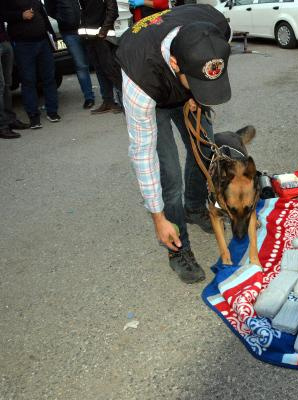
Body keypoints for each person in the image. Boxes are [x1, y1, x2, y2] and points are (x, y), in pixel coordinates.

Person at [116, 4, 231, 283]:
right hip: (153, 90)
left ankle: (193, 208)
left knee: (205, 147)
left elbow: (211, 66)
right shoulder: (139, 80)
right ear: (177, 63)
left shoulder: (215, 26)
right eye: (193, 82)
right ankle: (178, 247)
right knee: (168, 174)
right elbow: (143, 156)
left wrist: (198, 92)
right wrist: (157, 218)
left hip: (178, 79)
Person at [2, 0, 61, 129]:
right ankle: (33, 116)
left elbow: (43, 15)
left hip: (43, 41)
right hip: (23, 44)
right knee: (28, 80)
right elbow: (3, 14)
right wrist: (21, 15)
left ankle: (52, 112)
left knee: (49, 78)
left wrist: (53, 37)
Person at [45, 0, 96, 109]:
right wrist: (62, 18)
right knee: (81, 65)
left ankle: (108, 97)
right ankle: (89, 97)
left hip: (89, 27)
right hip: (69, 32)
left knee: (98, 61)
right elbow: (50, 9)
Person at [79, 0, 122, 114]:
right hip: (89, 38)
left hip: (103, 38)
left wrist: (103, 31)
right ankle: (108, 102)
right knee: (100, 71)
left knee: (111, 70)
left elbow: (113, 11)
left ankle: (125, 102)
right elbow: (84, 11)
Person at [0, 14, 29, 138]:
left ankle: (10, 119)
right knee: (0, 85)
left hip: (4, 40)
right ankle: (2, 126)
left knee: (7, 84)